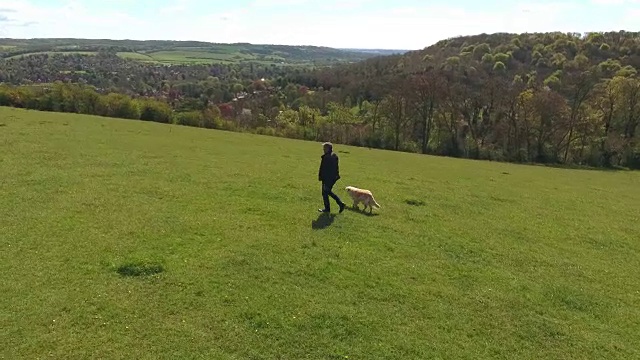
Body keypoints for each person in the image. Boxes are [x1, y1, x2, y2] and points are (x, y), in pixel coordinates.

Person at [318, 142, 346, 213]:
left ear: (328, 148)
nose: (323, 149)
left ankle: (338, 204)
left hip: (328, 178)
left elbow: (324, 169)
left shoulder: (327, 157)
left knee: (326, 192)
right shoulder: (334, 156)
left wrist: (322, 177)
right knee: (326, 192)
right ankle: (336, 205)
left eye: (324, 148)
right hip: (332, 178)